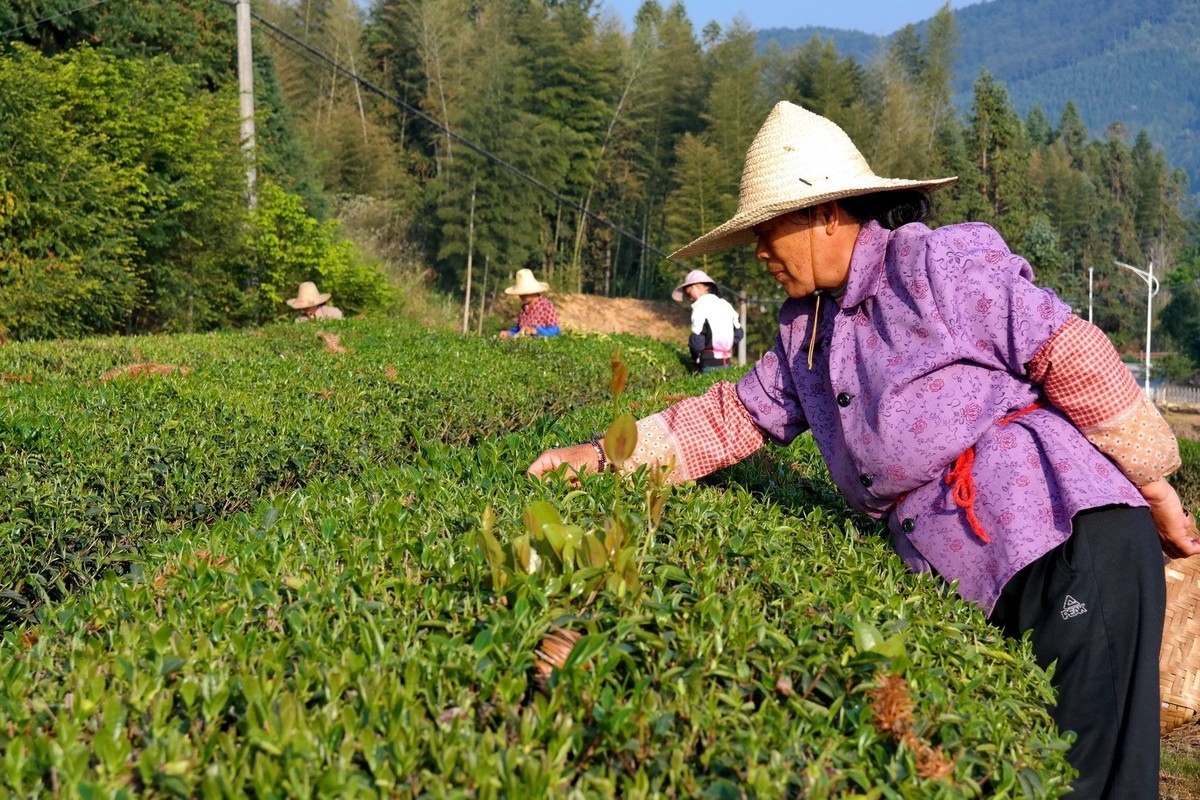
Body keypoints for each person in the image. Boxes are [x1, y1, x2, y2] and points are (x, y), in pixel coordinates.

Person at [528, 101, 1200, 797]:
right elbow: (732, 417)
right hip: (986, 569)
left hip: (1069, 541)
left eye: (768, 230)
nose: (759, 252)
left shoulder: (934, 267)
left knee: (1086, 780)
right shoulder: (808, 334)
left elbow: (1068, 349)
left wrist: (1154, 485)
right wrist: (603, 455)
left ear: (826, 214)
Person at [672, 269, 743, 372]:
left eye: (689, 293)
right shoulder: (726, 305)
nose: (690, 298)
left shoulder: (700, 307)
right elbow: (739, 333)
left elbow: (697, 339)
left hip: (708, 364)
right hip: (727, 362)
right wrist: (725, 346)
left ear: (697, 286)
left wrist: (694, 357)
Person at [499, 268, 560, 339]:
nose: (521, 296)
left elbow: (555, 331)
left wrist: (535, 331)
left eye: (525, 293)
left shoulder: (546, 306)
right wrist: (509, 333)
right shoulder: (523, 309)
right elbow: (519, 329)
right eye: (520, 293)